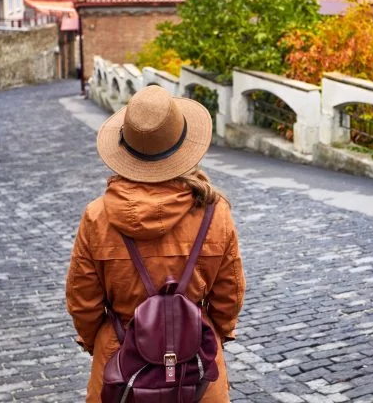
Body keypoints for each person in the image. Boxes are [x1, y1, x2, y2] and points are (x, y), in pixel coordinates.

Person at [66, 85, 246, 402]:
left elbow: (83, 302)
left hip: (120, 373)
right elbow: (228, 296)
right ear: (182, 145)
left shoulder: (97, 217)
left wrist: (110, 341)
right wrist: (202, 334)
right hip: (197, 373)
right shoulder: (215, 212)